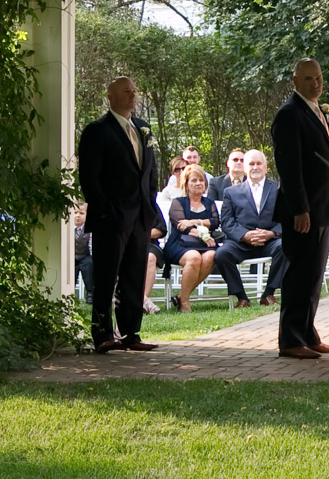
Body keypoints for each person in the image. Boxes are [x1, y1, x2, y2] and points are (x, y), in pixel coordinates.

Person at [77, 76, 162, 352]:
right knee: (105, 276)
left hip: (140, 215)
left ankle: (130, 333)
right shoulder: (97, 131)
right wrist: (106, 209)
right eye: (126, 91)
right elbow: (90, 178)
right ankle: (102, 335)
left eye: (134, 91)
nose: (132, 95)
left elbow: (150, 170)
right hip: (111, 217)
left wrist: (150, 200)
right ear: (111, 96)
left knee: (134, 275)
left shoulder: (142, 128)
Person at [272, 58, 329, 360]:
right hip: (302, 211)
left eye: (319, 77)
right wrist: (300, 208)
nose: (317, 83)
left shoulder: (317, 111)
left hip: (322, 206)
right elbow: (290, 167)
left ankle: (308, 332)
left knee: (314, 274)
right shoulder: (289, 115)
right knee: (299, 273)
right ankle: (290, 339)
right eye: (310, 78)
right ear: (295, 80)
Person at [216, 149, 288, 307]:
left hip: (270, 241)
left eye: (258, 164)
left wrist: (271, 233)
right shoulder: (231, 192)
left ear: (265, 166)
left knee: (285, 247)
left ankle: (268, 294)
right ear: (244, 167)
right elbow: (227, 221)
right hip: (241, 242)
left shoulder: (278, 189)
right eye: (251, 164)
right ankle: (241, 297)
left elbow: (286, 218)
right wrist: (245, 235)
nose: (255, 167)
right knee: (221, 254)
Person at [162, 164, 220, 312]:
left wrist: (194, 221)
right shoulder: (178, 202)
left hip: (204, 244)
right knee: (194, 258)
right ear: (186, 184)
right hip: (180, 244)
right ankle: (185, 302)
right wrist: (203, 234)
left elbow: (214, 222)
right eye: (194, 180)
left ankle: (182, 296)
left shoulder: (209, 203)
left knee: (211, 256)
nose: (198, 183)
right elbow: (183, 227)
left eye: (201, 180)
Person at [73, 204, 94, 301]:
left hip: (85, 256)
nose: (78, 215)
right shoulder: (68, 229)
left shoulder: (89, 229)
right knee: (71, 267)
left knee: (89, 264)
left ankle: (90, 292)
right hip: (72, 256)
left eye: (81, 213)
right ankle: (70, 292)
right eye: (75, 212)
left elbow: (91, 246)